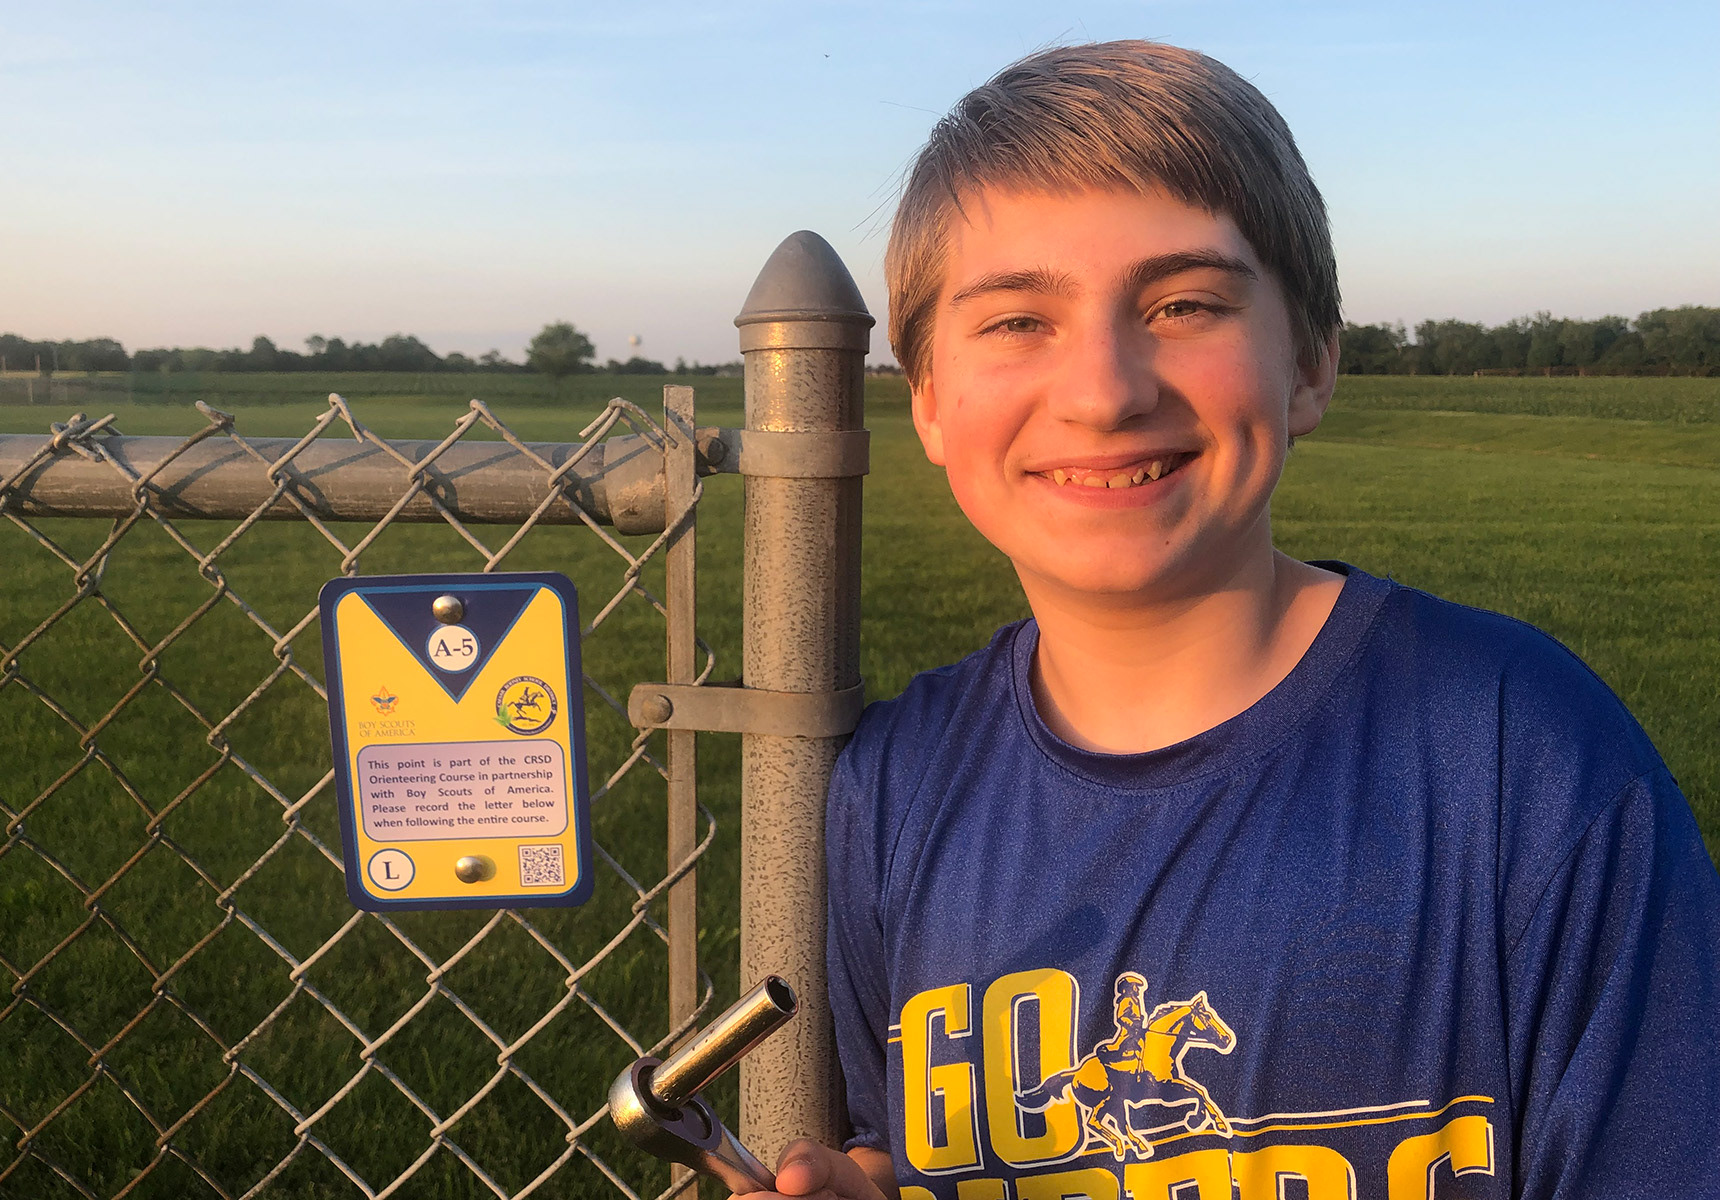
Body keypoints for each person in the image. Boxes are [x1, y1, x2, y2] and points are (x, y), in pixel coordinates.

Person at [736, 40, 1720, 1200]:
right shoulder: (892, 796)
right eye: (1018, 321)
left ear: (1308, 362)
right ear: (933, 399)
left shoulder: (1521, 759)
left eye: (1185, 303)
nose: (1105, 390)